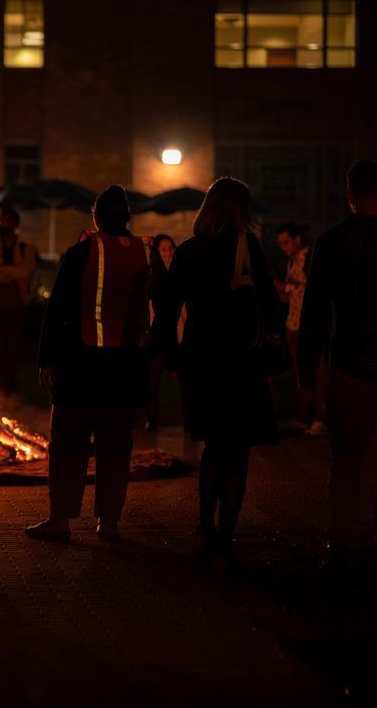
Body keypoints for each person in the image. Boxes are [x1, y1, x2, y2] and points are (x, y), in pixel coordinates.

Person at [159, 177, 284, 566]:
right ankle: (226, 533)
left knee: (213, 446)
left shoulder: (190, 250)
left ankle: (203, 526)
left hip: (201, 359)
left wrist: (171, 355)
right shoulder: (249, 250)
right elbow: (268, 303)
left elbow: (167, 306)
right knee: (238, 450)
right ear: (240, 209)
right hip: (240, 359)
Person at [25, 186, 155, 543]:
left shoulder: (82, 252)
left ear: (96, 217)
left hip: (80, 367)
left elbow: (58, 310)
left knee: (68, 445)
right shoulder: (148, 253)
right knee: (116, 446)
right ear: (127, 217)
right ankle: (109, 521)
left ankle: (60, 519)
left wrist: (46, 360)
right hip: (126, 369)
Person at [297, 159, 377, 571]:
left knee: (346, 459)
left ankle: (342, 540)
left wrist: (307, 376)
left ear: (349, 195)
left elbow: (314, 314)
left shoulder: (331, 243)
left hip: (350, 367)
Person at [0, 208, 39, 401]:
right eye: (1, 221)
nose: (4, 225)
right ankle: (2, 385)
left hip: (17, 303)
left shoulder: (25, 247)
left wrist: (0, 270)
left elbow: (26, 270)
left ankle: (11, 387)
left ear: (14, 224)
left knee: (12, 346)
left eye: (7, 221)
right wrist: (10, 273)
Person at [274, 222, 326, 435]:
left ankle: (320, 418)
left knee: (315, 371)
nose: (283, 247)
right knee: (299, 372)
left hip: (308, 325)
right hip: (293, 324)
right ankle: (304, 415)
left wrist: (288, 287)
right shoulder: (291, 262)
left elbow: (312, 291)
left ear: (297, 239)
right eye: (280, 243)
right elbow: (290, 295)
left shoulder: (310, 258)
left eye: (286, 242)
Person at [146, 234, 176, 431]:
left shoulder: (180, 273)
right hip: (157, 334)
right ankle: (152, 418)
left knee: (184, 379)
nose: (168, 253)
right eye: (163, 249)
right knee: (153, 378)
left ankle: (190, 420)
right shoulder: (153, 275)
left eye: (170, 249)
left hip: (177, 334)